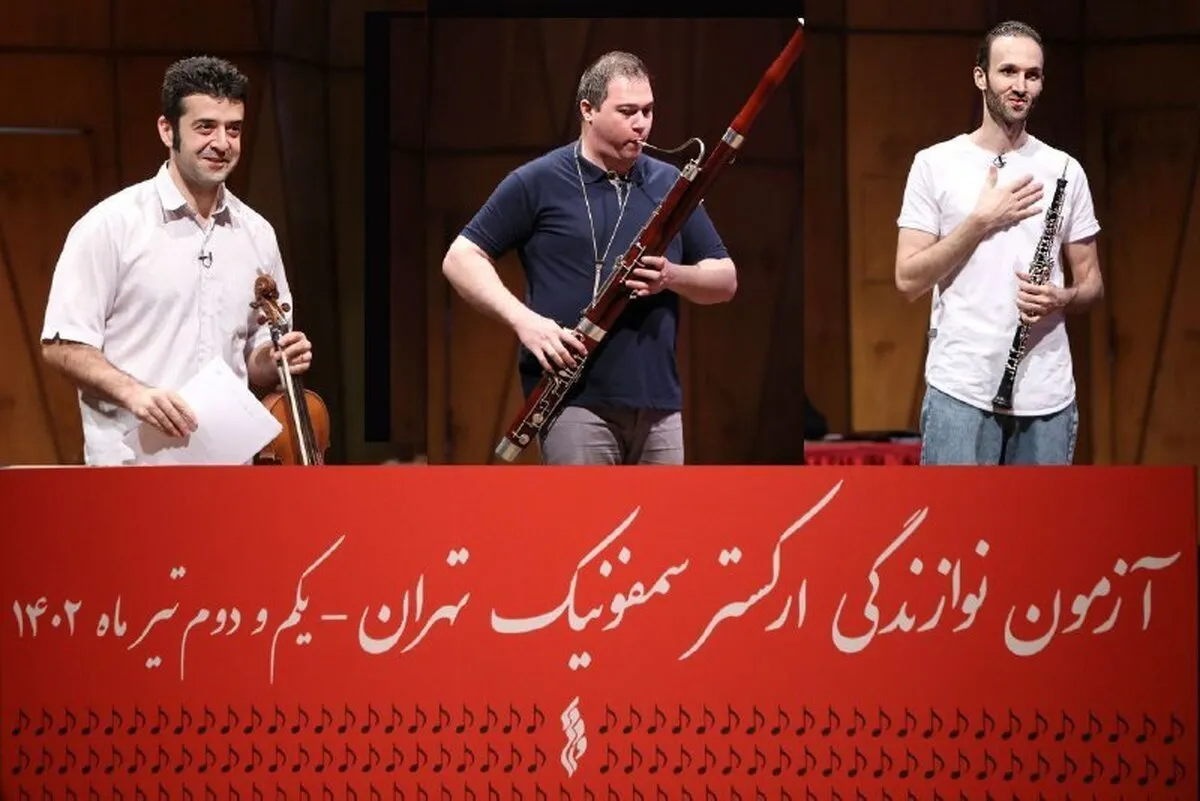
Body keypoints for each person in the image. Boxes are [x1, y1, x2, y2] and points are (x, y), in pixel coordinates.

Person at [442, 51, 737, 465]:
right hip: (573, 400)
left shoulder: (670, 182)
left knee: (665, 511)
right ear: (588, 110)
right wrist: (525, 322)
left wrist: (672, 276)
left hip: (659, 405)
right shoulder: (538, 180)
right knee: (586, 511)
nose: (642, 124)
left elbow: (725, 280)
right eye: (627, 112)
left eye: (648, 111)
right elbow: (460, 257)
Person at [40, 55, 313, 466]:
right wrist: (135, 393)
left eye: (233, 129)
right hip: (132, 467)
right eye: (205, 127)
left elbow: (254, 360)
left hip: (227, 467)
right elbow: (62, 345)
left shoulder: (257, 233)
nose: (222, 143)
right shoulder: (111, 225)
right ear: (167, 130)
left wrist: (275, 360)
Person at [894, 20, 1104, 465]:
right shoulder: (934, 164)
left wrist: (1062, 297)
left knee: (1042, 515)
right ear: (981, 76)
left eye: (1032, 75)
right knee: (955, 514)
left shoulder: (1066, 170)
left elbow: (1092, 285)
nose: (1020, 86)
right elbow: (908, 279)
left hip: (1047, 394)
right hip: (960, 390)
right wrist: (980, 221)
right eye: (1008, 71)